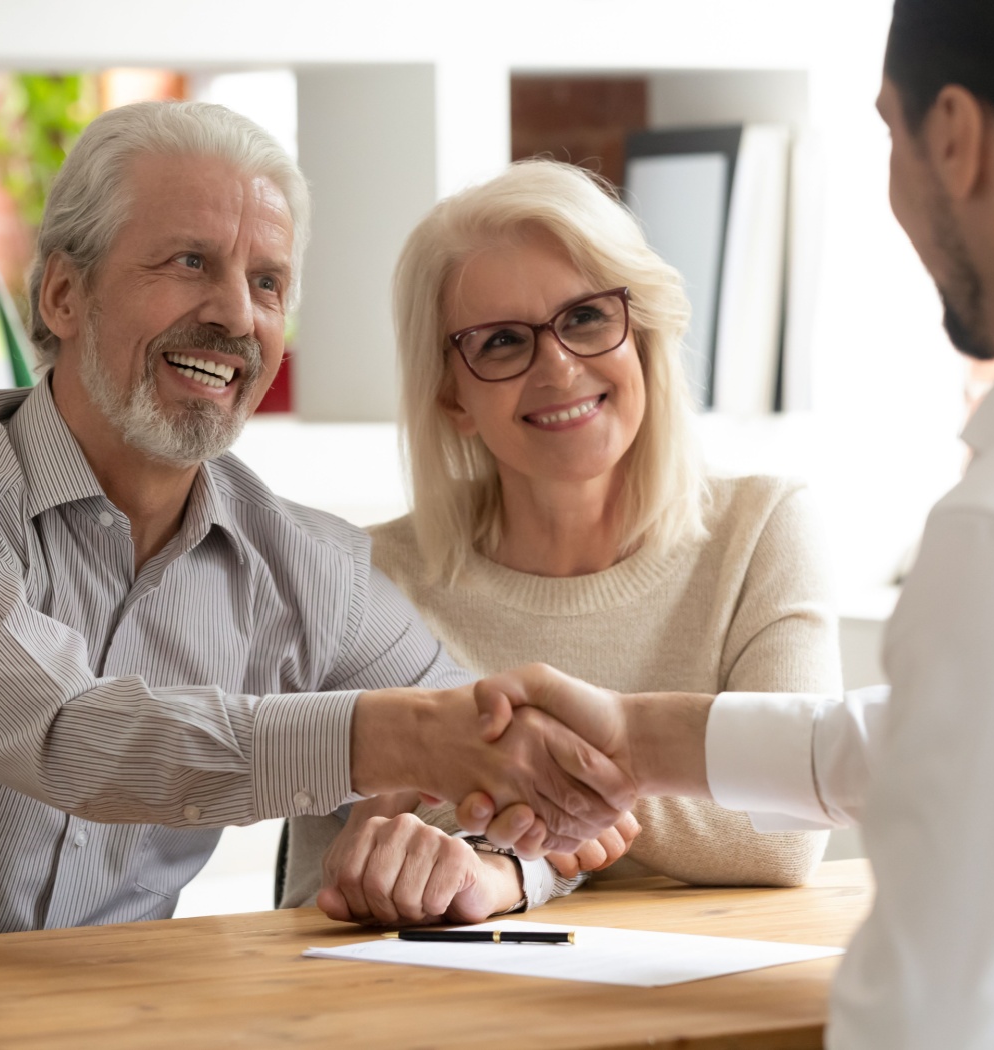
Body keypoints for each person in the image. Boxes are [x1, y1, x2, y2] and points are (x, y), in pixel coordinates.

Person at [466, 0, 994, 1046]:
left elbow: (934, 1025)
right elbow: (979, 731)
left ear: (955, 137)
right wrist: (643, 738)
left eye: (888, 131)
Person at [0, 101, 636, 959]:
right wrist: (406, 738)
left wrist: (496, 864)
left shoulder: (309, 569)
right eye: (189, 261)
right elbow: (73, 735)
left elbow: (522, 781)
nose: (235, 314)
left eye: (267, 282)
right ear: (63, 296)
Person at [280, 161, 842, 926]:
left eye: (585, 318)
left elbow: (784, 830)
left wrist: (510, 838)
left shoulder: (763, 529)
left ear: (641, 332)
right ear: (452, 394)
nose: (559, 368)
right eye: (504, 342)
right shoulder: (362, 581)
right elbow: (320, 888)